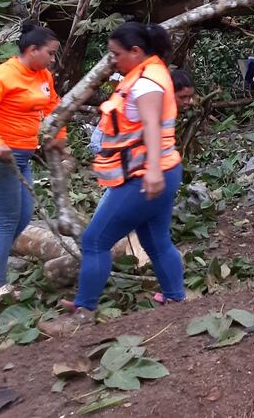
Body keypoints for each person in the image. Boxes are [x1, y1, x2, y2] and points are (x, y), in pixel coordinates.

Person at [42, 22, 184, 332]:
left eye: (116, 54)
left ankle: (83, 313)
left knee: (95, 241)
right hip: (159, 171)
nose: (112, 60)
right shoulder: (147, 74)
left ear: (136, 52)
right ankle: (177, 301)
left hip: (146, 175)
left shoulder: (147, 83)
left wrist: (154, 173)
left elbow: (151, 128)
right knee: (156, 240)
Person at [0, 23, 65, 298]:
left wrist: (60, 134)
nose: (53, 59)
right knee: (6, 223)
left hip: (21, 159)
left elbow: (53, 105)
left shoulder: (43, 75)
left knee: (21, 218)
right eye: (50, 53)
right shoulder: (4, 75)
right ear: (32, 50)